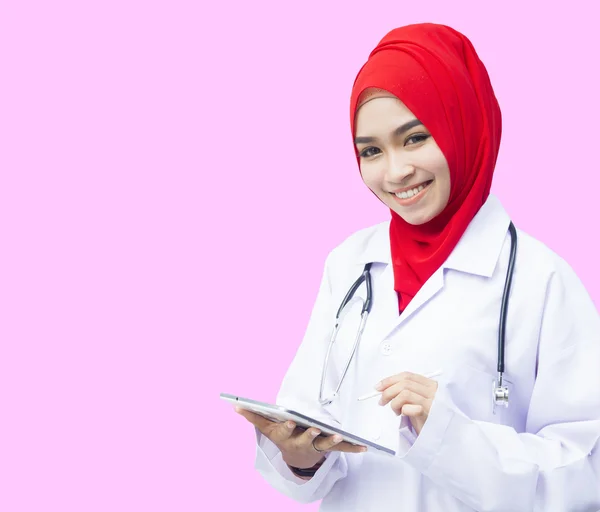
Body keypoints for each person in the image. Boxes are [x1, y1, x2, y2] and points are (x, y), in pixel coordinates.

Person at [234, 23, 600, 511]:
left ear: (462, 123)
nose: (395, 171)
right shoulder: (349, 265)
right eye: (371, 150)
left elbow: (585, 473)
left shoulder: (541, 280)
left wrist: (451, 436)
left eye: (415, 138)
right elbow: (309, 423)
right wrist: (300, 456)